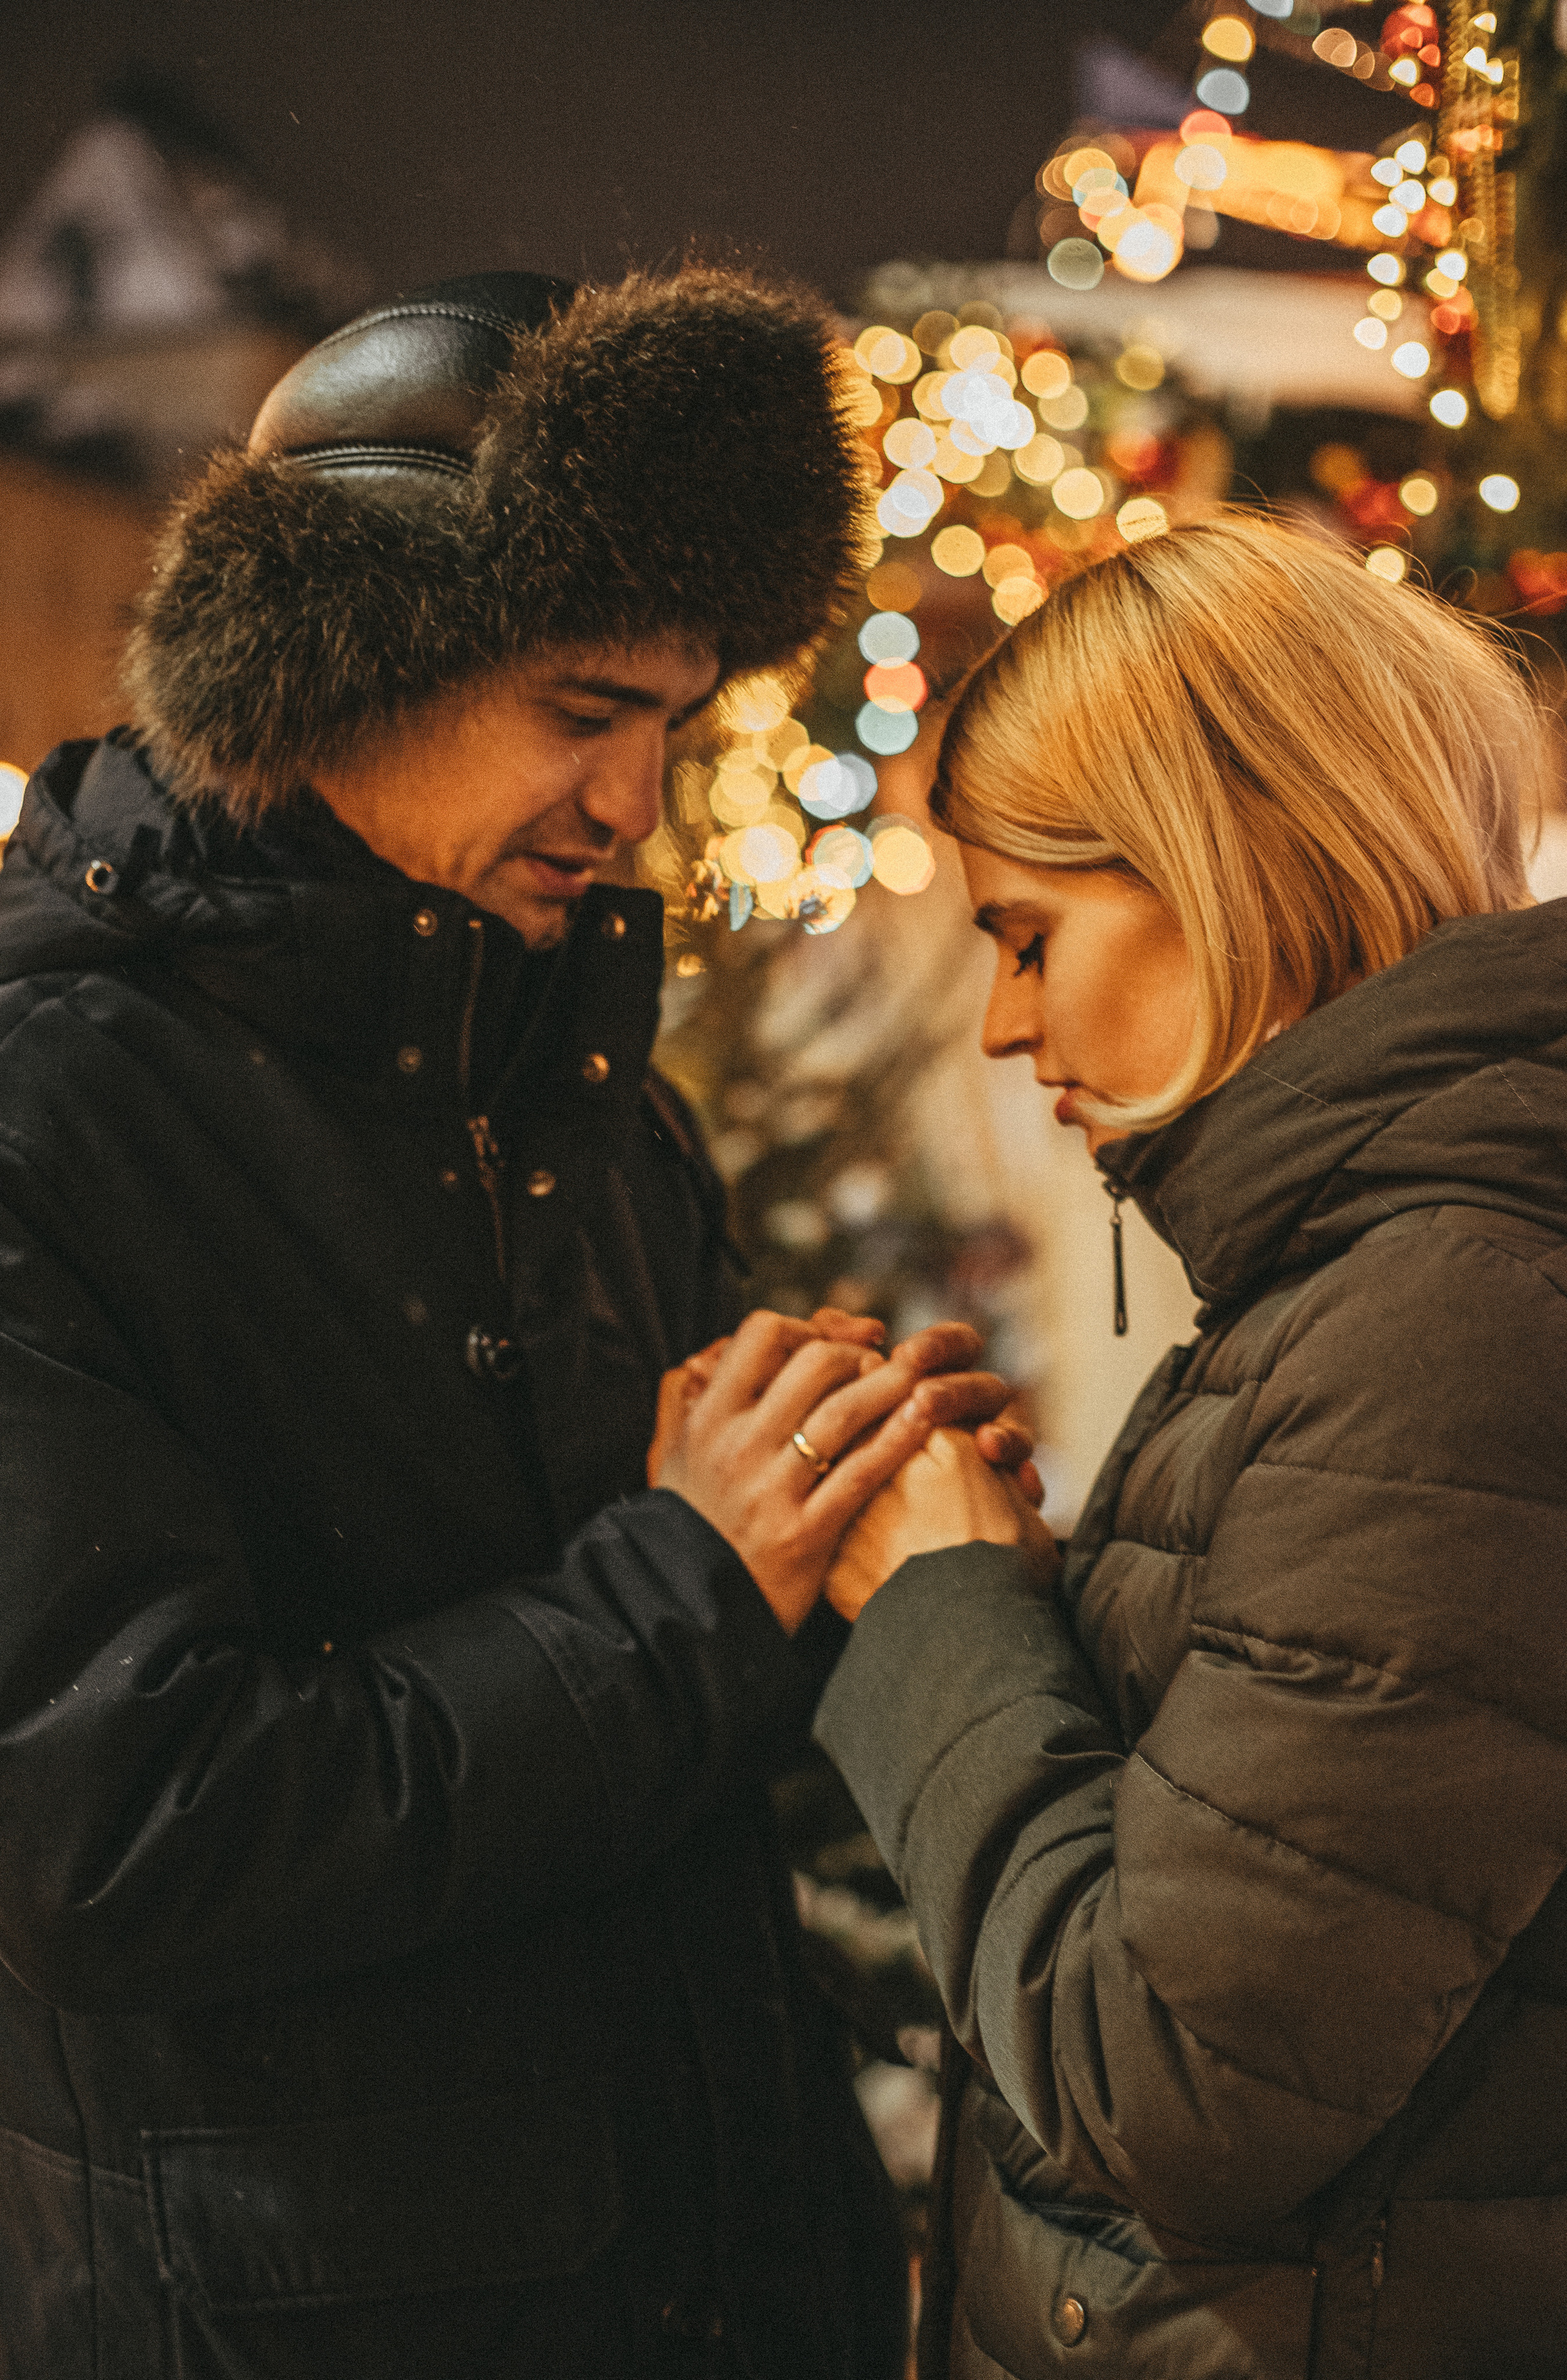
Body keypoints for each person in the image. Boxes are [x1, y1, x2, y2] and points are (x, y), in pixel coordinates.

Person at [0, 267, 1026, 2380]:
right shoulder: (50, 1122)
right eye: (581, 711)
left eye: (673, 725)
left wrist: (859, 1521)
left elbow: (687, 1689)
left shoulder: (576, 1089)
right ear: (341, 649)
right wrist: (697, 1579)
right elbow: (116, 1841)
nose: (635, 804)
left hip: (729, 2280)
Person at [787, 514, 1567, 2379]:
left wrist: (940, 1602)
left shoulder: (1443, 1322)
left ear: (1228, 867)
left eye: (1028, 935)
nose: (1004, 1023)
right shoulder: (1362, 1279)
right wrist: (1026, 1593)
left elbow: (1172, 2084)